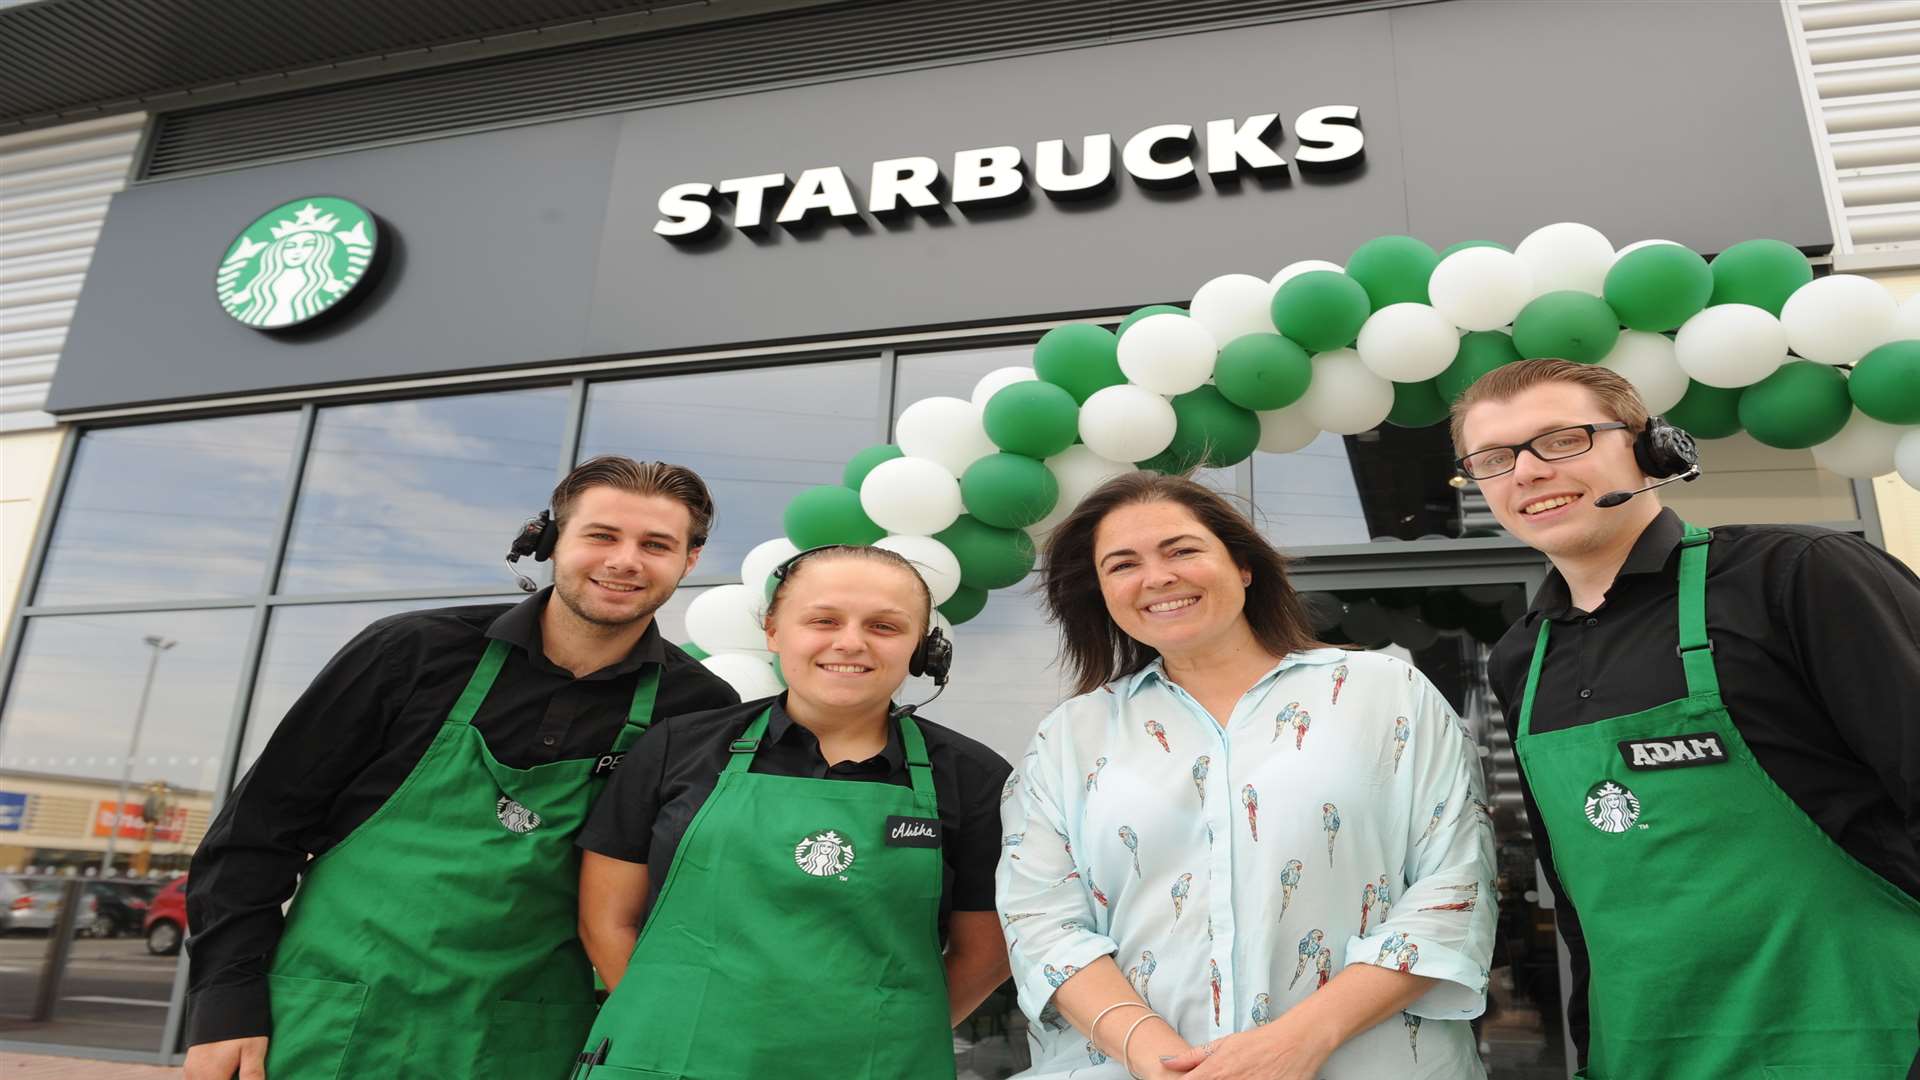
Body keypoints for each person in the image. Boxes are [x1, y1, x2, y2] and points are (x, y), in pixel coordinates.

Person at [182, 456, 739, 1080]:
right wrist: (225, 1006)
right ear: (553, 539)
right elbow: (254, 836)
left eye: (656, 545)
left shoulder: (699, 709)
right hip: (326, 1020)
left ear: (688, 561)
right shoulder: (409, 653)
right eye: (602, 535)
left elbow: (676, 902)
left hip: (527, 1041)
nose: (625, 560)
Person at [1454, 359, 1920, 1078]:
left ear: (1649, 447)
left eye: (1561, 440)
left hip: (1865, 1039)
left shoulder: (1797, 576)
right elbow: (1580, 902)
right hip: (1644, 1051)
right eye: (1493, 459)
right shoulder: (1522, 656)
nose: (1527, 472)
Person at [999, 472, 1495, 1080]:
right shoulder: (1069, 737)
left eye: (1182, 550)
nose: (1157, 578)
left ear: (1243, 567)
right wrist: (1161, 1059)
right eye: (1122, 565)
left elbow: (1456, 883)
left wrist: (1299, 1041)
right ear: (1102, 593)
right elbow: (1040, 921)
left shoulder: (1385, 692)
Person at [573, 544, 1013, 1078]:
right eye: (822, 620)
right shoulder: (677, 748)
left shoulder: (974, 777)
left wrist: (892, 1035)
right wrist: (668, 1020)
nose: (850, 642)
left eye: (885, 626)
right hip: (672, 1059)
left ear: (923, 648)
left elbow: (985, 952)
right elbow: (606, 919)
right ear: (774, 631)